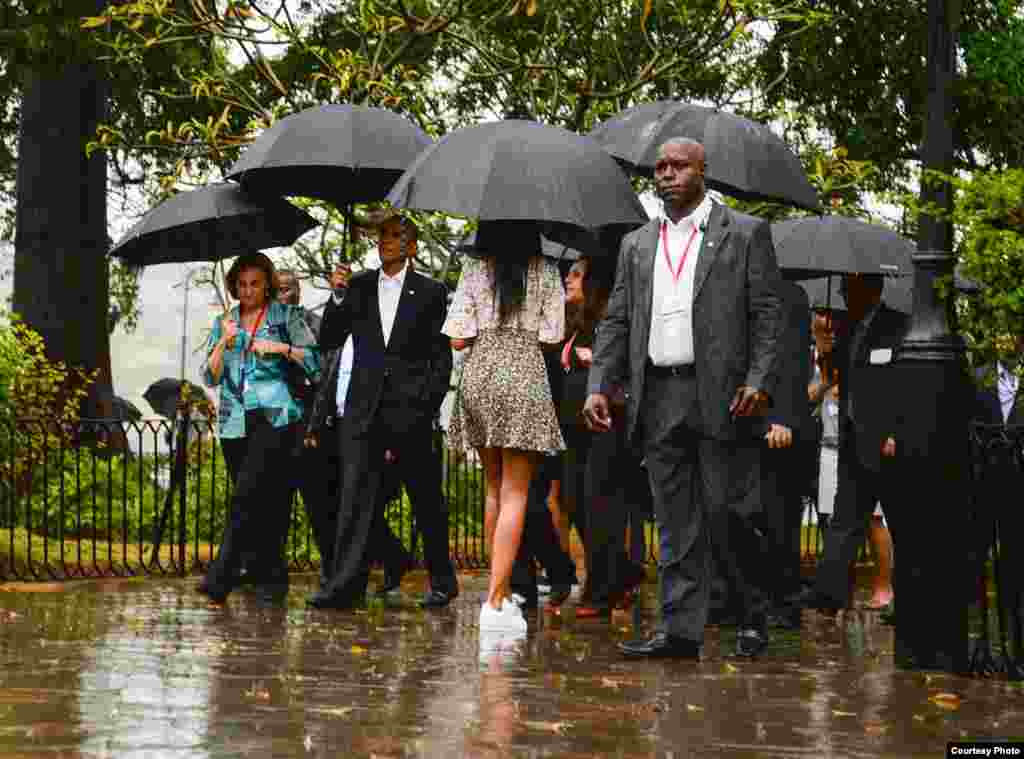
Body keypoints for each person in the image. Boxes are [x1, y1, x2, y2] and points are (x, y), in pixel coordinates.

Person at [584, 137, 783, 659]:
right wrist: (599, 384)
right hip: (658, 393)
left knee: (729, 512)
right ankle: (680, 630)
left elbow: (768, 314)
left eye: (678, 166)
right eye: (660, 168)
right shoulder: (637, 244)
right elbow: (617, 320)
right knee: (674, 519)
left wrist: (760, 379)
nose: (666, 174)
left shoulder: (745, 233)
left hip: (722, 394)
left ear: (702, 172)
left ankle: (751, 616)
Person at [308, 211, 457, 610]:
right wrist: (337, 296)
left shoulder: (431, 291)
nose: (384, 241)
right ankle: (344, 586)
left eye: (394, 235)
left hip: (411, 411)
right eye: (381, 235)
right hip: (364, 409)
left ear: (412, 245)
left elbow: (440, 358)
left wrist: (425, 404)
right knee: (354, 500)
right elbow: (330, 337)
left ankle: (443, 581)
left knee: (426, 499)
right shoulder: (357, 286)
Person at [444, 220, 566, 634]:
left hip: (480, 374)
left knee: (493, 489)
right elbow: (553, 334)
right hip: (524, 374)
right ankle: (496, 601)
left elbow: (457, 337)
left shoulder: (474, 269)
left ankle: (498, 593)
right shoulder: (546, 270)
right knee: (517, 493)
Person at [198, 252, 320, 603]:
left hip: (274, 416)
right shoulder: (224, 321)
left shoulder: (286, 316)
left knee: (244, 496)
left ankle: (220, 577)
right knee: (264, 501)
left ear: (267, 285)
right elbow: (209, 376)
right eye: (242, 284)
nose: (248, 290)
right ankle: (272, 580)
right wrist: (224, 341)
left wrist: (281, 348)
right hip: (233, 420)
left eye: (255, 283)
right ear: (234, 286)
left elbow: (315, 361)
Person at [795, 273, 909, 614]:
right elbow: (833, 375)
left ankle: (910, 597)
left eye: (849, 286)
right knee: (844, 521)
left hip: (885, 444)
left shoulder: (898, 326)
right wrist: (824, 348)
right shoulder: (846, 327)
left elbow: (904, 384)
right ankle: (828, 594)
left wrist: (896, 432)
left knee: (899, 522)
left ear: (869, 289)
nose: (843, 292)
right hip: (852, 440)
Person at [303, 261, 413, 593]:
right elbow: (327, 379)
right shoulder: (341, 332)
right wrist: (315, 426)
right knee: (333, 501)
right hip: (333, 422)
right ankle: (387, 558)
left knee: (358, 504)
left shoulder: (383, 337)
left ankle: (347, 580)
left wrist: (394, 435)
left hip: (367, 425)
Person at [560, 256, 645, 619]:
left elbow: (626, 363)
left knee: (600, 504)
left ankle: (601, 590)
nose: (568, 279)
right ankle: (622, 572)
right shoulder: (575, 323)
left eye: (577, 274)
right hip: (573, 428)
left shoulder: (612, 321)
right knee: (573, 498)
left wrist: (595, 359)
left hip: (605, 424)